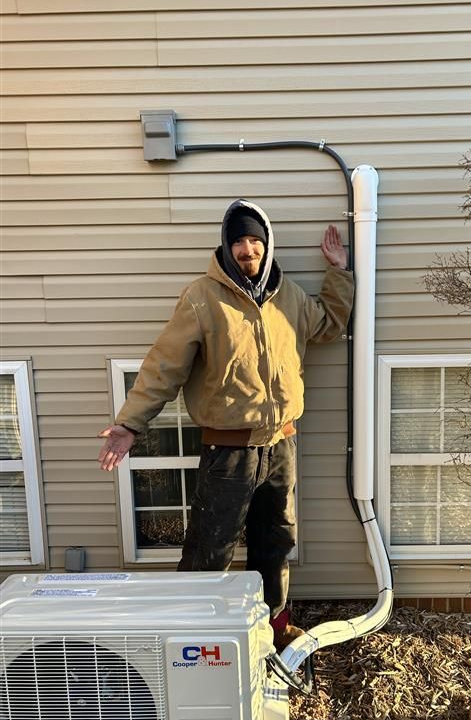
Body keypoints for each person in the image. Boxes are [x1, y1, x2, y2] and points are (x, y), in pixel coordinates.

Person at [98, 199, 354, 650]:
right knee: (208, 549)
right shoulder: (202, 298)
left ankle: (272, 632)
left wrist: (339, 272)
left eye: (255, 239)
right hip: (228, 452)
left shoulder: (289, 296)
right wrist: (129, 424)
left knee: (274, 544)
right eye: (239, 240)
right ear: (226, 246)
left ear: (267, 245)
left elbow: (329, 325)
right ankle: (192, 639)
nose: (247, 248)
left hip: (281, 447)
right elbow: (164, 368)